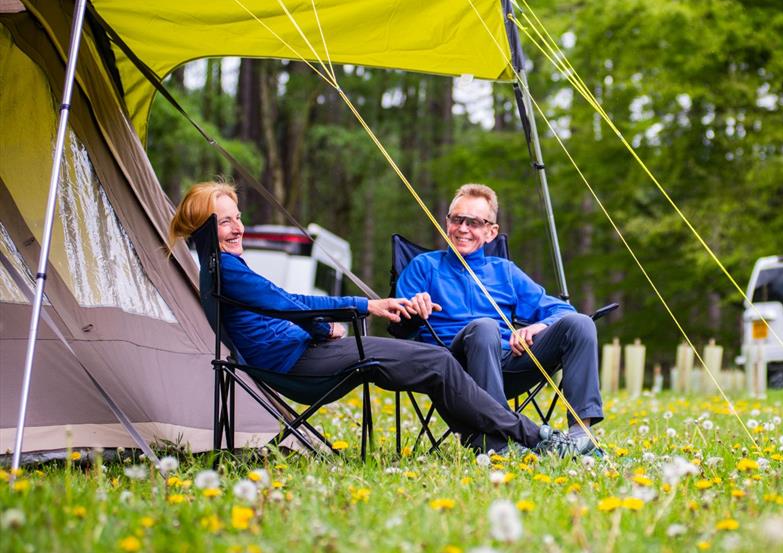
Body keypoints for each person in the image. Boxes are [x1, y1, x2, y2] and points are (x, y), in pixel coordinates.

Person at [168, 180, 592, 457]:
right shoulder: (225, 270)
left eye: (238, 217)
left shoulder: (222, 268)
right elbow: (287, 302)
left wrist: (322, 326)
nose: (238, 227)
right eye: (226, 221)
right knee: (440, 362)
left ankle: (528, 438)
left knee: (442, 366)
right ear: (204, 227)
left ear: (491, 231)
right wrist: (371, 306)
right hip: (297, 363)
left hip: (310, 351)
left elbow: (281, 306)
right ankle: (531, 437)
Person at [394, 183, 603, 445]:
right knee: (484, 327)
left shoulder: (504, 271)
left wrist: (537, 327)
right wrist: (413, 308)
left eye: (474, 223)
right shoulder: (424, 266)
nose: (463, 229)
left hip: (508, 364)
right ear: (447, 222)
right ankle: (496, 443)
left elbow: (562, 310)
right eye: (457, 219)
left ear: (491, 232)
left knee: (580, 324)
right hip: (451, 368)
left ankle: (580, 437)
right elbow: (398, 324)